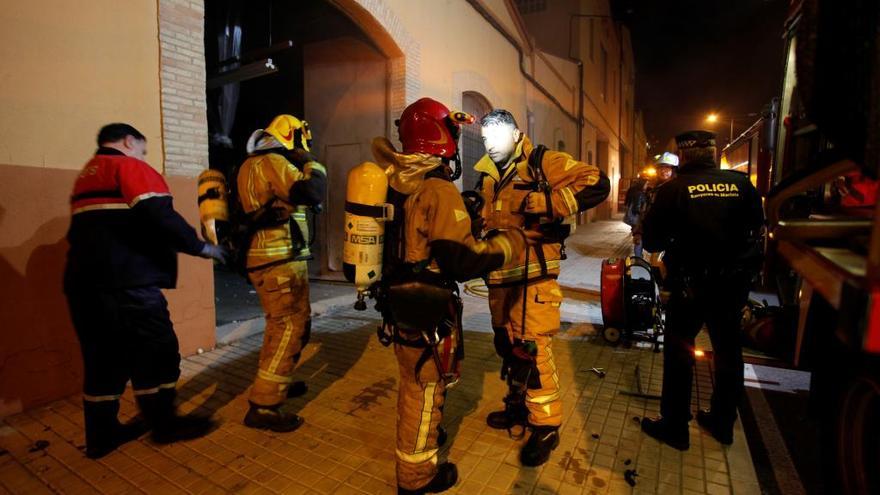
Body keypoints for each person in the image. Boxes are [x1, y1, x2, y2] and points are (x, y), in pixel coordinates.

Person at [372, 98, 529, 494]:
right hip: (427, 310)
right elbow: (459, 260)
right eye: (454, 134)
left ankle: (423, 437)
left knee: (413, 383)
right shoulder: (438, 188)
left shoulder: (395, 182)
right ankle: (417, 478)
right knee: (424, 391)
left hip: (398, 304)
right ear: (440, 136)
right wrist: (510, 244)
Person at [64, 123, 228, 459]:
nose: (143, 155)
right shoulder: (128, 166)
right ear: (128, 141)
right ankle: (165, 425)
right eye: (143, 148)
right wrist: (202, 248)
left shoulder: (86, 176)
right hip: (128, 284)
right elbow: (159, 215)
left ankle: (101, 435)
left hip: (83, 287)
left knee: (103, 360)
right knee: (158, 352)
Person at [475, 109, 610, 466]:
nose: (490, 144)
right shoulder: (487, 178)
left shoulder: (541, 162)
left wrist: (552, 203)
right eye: (486, 138)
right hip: (500, 280)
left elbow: (597, 183)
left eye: (498, 136)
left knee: (534, 354)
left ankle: (546, 427)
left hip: (534, 279)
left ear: (517, 135)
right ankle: (517, 408)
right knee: (508, 347)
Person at [639, 130, 764, 450]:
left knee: (680, 353)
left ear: (682, 156)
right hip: (732, 286)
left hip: (689, 286)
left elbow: (651, 241)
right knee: (728, 353)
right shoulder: (741, 185)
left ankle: (675, 427)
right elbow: (757, 231)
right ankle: (723, 424)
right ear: (713, 151)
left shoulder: (674, 190)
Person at [235, 114, 327, 432]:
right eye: (303, 141)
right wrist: (311, 162)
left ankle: (277, 383)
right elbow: (313, 190)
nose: (304, 146)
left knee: (280, 328)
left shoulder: (250, 164)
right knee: (289, 329)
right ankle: (264, 405)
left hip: (265, 259)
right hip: (279, 260)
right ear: (294, 137)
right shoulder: (273, 161)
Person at [632, 151, 679, 259]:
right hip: (656, 240)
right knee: (655, 270)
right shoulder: (652, 190)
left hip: (673, 241)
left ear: (674, 170)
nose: (663, 171)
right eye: (660, 168)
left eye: (667, 168)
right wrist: (638, 232)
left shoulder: (679, 189)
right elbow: (644, 212)